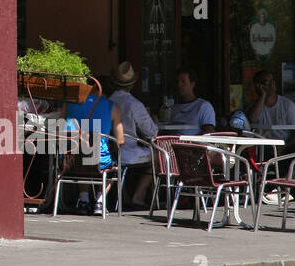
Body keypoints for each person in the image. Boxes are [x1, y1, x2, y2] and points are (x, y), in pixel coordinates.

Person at [63, 82, 123, 215]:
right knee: (113, 164)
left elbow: (59, 129)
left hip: (71, 160)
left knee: (82, 158)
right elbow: (120, 140)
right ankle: (99, 201)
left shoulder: (69, 104)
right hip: (99, 159)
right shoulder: (111, 106)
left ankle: (83, 200)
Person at [107, 61, 157, 208]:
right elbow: (152, 132)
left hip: (110, 150)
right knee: (158, 156)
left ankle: (126, 195)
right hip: (127, 151)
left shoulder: (108, 101)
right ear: (132, 84)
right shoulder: (134, 104)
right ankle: (138, 195)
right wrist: (155, 120)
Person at [246, 68, 295, 138]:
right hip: (261, 146)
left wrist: (288, 146)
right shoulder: (254, 106)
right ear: (258, 86)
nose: (272, 84)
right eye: (266, 82)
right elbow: (252, 120)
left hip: (284, 145)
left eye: (272, 81)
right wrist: (263, 95)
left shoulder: (287, 105)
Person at [166, 68, 216, 136]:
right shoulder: (172, 108)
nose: (179, 85)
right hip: (168, 144)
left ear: (192, 84)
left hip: (192, 145)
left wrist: (190, 142)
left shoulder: (204, 106)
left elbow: (209, 133)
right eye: (177, 82)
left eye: (183, 81)